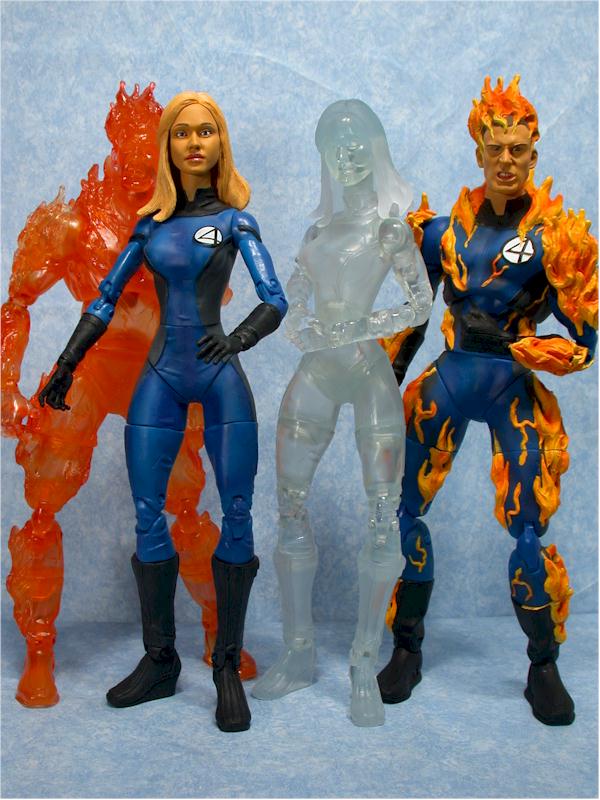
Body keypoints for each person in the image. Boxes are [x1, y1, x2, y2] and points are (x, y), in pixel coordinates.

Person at [39, 91, 288, 733]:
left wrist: (238, 339)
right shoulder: (149, 226)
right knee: (148, 512)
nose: (195, 142)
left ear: (221, 142)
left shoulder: (235, 222)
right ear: (167, 146)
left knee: (237, 511)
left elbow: (274, 298)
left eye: (206, 131)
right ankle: (160, 660)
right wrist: (67, 361)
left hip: (218, 372)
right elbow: (104, 298)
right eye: (182, 132)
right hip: (161, 374)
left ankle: (225, 663)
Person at [377, 75, 597, 726]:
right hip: (449, 380)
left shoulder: (556, 240)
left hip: (512, 386)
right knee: (402, 512)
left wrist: (538, 350)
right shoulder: (442, 234)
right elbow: (414, 316)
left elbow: (586, 341)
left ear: (534, 154)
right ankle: (407, 647)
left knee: (529, 531)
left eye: (518, 150)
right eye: (495, 148)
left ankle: (543, 664)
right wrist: (385, 380)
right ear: (478, 151)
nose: (506, 160)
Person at [252, 99, 432, 726]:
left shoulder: (390, 230)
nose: (347, 157)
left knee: (383, 517)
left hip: (365, 370)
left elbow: (419, 305)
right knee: (289, 506)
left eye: (357, 145)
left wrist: (361, 325)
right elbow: (294, 306)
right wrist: (304, 328)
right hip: (318, 372)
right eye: (335, 147)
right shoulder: (316, 235)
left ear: (376, 150)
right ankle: (299, 651)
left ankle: (363, 662)